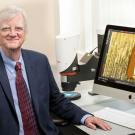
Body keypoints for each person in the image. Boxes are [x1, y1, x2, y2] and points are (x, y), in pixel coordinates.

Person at [0, 5, 111, 135]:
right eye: (5, 29)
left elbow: (56, 100)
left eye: (18, 28)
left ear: (25, 33)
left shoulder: (39, 61)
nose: (13, 33)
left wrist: (85, 117)